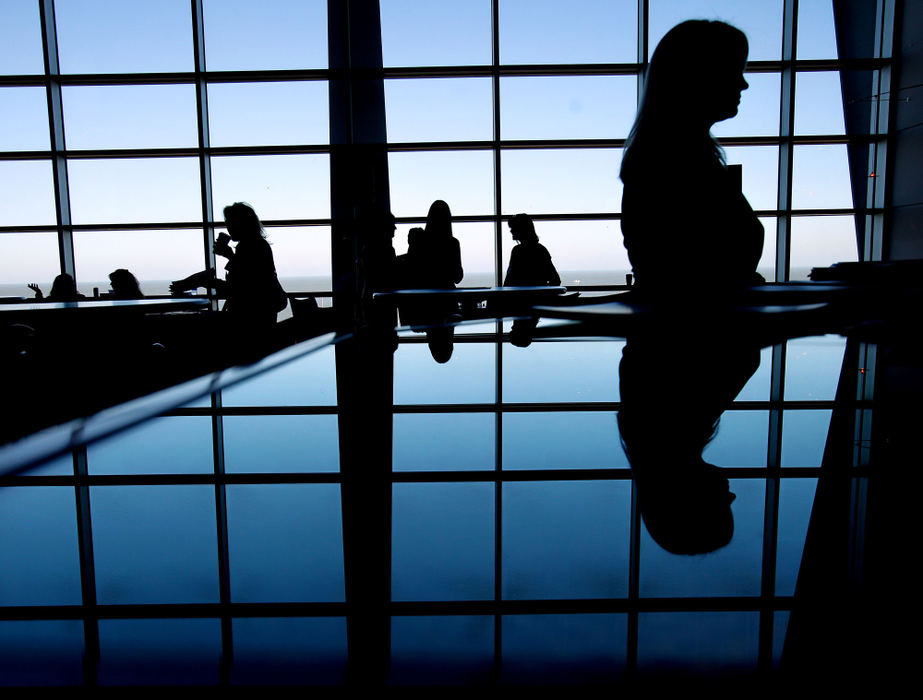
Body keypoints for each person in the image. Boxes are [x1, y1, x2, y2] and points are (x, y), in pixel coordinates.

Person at [619, 20, 764, 297]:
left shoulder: (661, 158)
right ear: (700, 76)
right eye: (734, 71)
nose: (743, 84)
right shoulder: (678, 163)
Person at [171, 202, 286, 344]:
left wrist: (206, 281)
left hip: (250, 319)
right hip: (260, 315)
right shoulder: (257, 245)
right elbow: (251, 281)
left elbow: (244, 288)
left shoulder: (249, 248)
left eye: (230, 222)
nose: (228, 227)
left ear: (241, 224)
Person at [503, 213, 561, 287]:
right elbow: (555, 279)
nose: (511, 231)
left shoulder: (517, 251)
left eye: (513, 228)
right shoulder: (541, 250)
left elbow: (509, 280)